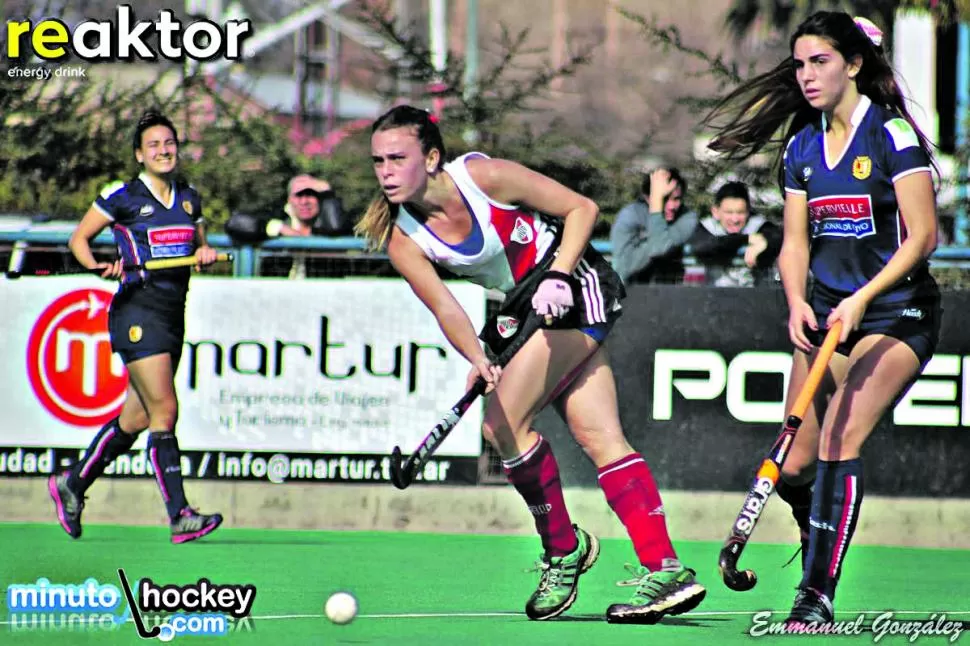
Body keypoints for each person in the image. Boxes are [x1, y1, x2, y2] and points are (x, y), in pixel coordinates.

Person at [356, 105, 706, 623]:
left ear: (431, 158)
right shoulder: (404, 237)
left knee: (501, 422)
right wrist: (479, 357)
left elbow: (582, 209)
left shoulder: (485, 178)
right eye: (378, 161)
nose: (385, 171)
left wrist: (559, 275)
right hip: (521, 312)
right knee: (599, 436)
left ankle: (563, 550)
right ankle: (666, 569)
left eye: (397, 158)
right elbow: (446, 308)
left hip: (576, 284)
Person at [704, 12, 941, 625]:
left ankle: (816, 593)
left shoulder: (892, 136)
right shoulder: (802, 145)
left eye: (821, 62)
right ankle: (819, 535)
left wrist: (864, 297)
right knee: (798, 464)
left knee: (839, 437)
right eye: (801, 63)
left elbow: (922, 237)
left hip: (896, 311)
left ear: (854, 64)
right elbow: (794, 243)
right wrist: (796, 302)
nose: (807, 75)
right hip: (828, 316)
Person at [50, 109, 224, 544]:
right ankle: (179, 514)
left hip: (171, 311)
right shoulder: (123, 197)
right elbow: (79, 240)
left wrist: (205, 254)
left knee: (138, 416)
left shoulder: (189, 197)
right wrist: (94, 266)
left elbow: (201, 246)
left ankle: (73, 482)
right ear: (139, 155)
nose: (163, 151)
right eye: (153, 146)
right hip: (137, 311)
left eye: (169, 143)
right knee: (165, 409)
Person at [610, 167, 698, 285]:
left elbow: (659, 248)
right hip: (632, 292)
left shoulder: (687, 217)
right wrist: (656, 203)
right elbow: (623, 269)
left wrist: (645, 242)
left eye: (676, 199)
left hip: (670, 293)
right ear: (647, 198)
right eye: (665, 199)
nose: (671, 206)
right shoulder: (630, 215)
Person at [688, 181, 782, 287]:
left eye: (740, 212)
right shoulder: (705, 227)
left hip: (753, 296)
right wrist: (747, 239)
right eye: (729, 212)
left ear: (748, 211)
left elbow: (780, 238)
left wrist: (765, 242)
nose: (735, 219)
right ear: (715, 212)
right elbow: (701, 247)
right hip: (713, 297)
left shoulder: (757, 225)